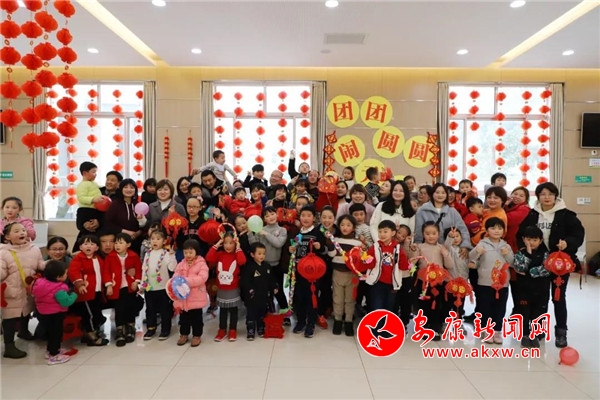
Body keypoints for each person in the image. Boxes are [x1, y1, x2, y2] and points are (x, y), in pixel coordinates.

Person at [517, 182, 584, 348]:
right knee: (538, 298)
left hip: (558, 264)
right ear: (538, 196)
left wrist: (567, 243)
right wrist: (526, 251)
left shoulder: (566, 214)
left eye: (550, 194)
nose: (547, 197)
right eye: (543, 194)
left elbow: (578, 234)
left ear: (556, 196)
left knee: (558, 297)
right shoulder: (532, 214)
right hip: (537, 264)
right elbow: (521, 234)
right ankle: (537, 331)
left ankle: (561, 332)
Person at [0, 222, 45, 358]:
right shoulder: (4, 252)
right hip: (11, 291)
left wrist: (50, 264)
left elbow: (40, 264)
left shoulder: (34, 249)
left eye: (23, 230)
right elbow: (2, 272)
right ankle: (9, 346)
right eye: (16, 231)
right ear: (7, 237)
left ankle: (23, 331)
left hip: (28, 289)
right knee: (10, 317)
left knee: (26, 310)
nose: (22, 233)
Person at [468, 217, 514, 345]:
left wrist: (507, 254)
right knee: (485, 308)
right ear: (487, 230)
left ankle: (497, 331)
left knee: (500, 308)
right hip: (485, 282)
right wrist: (477, 252)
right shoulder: (482, 244)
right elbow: (471, 258)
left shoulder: (506, 246)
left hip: (502, 284)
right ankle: (486, 330)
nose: (496, 231)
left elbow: (512, 262)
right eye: (493, 228)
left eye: (499, 228)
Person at [408, 221, 455, 340]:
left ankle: (435, 327)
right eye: (427, 233)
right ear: (423, 234)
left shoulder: (441, 247)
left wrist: (445, 254)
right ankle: (423, 327)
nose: (431, 236)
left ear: (438, 234)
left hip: (438, 282)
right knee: (423, 305)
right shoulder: (420, 247)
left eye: (434, 233)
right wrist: (412, 249)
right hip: (423, 282)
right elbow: (412, 262)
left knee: (437, 304)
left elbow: (450, 265)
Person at [288, 205, 328, 338]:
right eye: (303, 215)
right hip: (298, 272)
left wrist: (319, 246)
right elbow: (293, 248)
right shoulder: (297, 233)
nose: (305, 218)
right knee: (299, 298)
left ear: (314, 218)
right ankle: (300, 322)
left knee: (312, 298)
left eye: (309, 216)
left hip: (312, 274)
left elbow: (324, 251)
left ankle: (311, 324)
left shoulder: (317, 233)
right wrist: (291, 250)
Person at [31, 260, 77, 365]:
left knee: (50, 334)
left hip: (43, 314)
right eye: (65, 273)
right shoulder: (59, 288)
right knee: (56, 335)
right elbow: (66, 302)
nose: (67, 275)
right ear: (58, 277)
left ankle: (50, 350)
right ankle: (54, 355)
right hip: (55, 314)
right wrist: (74, 295)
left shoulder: (40, 283)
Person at [248, 207, 289, 323]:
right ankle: (266, 313)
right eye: (266, 216)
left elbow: (278, 243)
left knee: (278, 289)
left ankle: (285, 313)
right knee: (264, 289)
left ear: (277, 215)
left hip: (277, 266)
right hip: (263, 266)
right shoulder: (260, 230)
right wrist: (251, 232)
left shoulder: (282, 230)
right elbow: (254, 245)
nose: (270, 217)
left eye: (272, 214)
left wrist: (265, 234)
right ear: (263, 219)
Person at [513, 226, 550, 349]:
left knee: (539, 312)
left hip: (541, 290)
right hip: (524, 290)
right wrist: (528, 255)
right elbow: (520, 267)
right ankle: (525, 334)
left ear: (540, 240)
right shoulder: (520, 253)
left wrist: (530, 271)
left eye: (535, 240)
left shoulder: (545, 254)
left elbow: (546, 269)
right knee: (524, 312)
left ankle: (536, 334)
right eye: (529, 239)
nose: (532, 243)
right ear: (524, 239)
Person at [68, 235, 109, 346]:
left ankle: (92, 332)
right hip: (85, 292)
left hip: (97, 291)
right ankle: (91, 335)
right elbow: (73, 272)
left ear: (97, 247)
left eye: (92, 244)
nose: (88, 246)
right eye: (85, 244)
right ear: (80, 247)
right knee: (88, 314)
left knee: (96, 312)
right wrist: (80, 284)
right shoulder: (78, 258)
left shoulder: (98, 258)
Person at [205, 232, 246, 342]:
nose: (228, 246)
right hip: (222, 288)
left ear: (235, 243)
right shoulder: (220, 254)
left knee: (233, 310)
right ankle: (222, 330)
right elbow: (209, 257)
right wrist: (217, 244)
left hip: (233, 288)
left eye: (231, 243)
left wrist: (238, 248)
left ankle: (233, 330)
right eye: (225, 243)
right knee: (223, 310)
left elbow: (242, 261)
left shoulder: (236, 254)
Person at [103, 233, 142, 347]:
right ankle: (119, 330)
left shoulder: (133, 256)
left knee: (130, 307)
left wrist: (136, 282)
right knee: (119, 309)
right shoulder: (110, 257)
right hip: (116, 287)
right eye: (116, 243)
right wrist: (109, 285)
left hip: (129, 287)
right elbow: (106, 272)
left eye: (121, 243)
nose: (117, 245)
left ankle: (130, 328)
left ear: (128, 245)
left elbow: (138, 270)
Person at [414, 183, 471, 257]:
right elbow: (418, 233)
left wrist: (465, 245)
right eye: (437, 192)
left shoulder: (452, 211)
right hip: (430, 252)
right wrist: (418, 249)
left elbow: (463, 229)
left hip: (450, 252)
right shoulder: (422, 211)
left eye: (443, 193)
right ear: (432, 194)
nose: (440, 195)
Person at [363, 220, 408, 313]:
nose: (382, 234)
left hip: (392, 284)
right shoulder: (375, 247)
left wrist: (410, 264)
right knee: (377, 308)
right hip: (377, 283)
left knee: (388, 309)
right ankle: (376, 323)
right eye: (380, 231)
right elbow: (369, 265)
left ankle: (385, 323)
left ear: (393, 233)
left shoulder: (398, 248)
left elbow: (403, 266)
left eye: (385, 231)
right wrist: (365, 258)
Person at [331, 214, 364, 336]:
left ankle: (349, 321)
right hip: (337, 273)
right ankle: (338, 320)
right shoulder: (336, 240)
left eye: (348, 225)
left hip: (352, 274)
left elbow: (362, 259)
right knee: (337, 298)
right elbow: (331, 254)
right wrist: (329, 243)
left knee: (350, 299)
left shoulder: (358, 243)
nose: (345, 227)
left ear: (353, 227)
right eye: (342, 225)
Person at [140, 229, 177, 340]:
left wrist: (172, 255)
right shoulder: (148, 254)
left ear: (164, 241)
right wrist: (142, 284)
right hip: (149, 287)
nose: (154, 241)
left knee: (165, 309)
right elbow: (144, 269)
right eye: (152, 239)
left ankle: (165, 329)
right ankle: (151, 328)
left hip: (163, 288)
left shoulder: (166, 254)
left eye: (158, 239)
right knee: (150, 309)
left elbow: (172, 268)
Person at [174, 239, 209, 348]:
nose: (188, 255)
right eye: (185, 252)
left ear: (196, 252)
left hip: (196, 297)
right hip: (183, 298)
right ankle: (184, 334)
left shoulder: (201, 264)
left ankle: (197, 335)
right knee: (183, 318)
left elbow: (202, 278)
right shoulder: (181, 264)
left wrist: (186, 281)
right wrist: (176, 281)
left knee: (196, 318)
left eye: (190, 252)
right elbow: (176, 275)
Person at [240, 242, 277, 340]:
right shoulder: (249, 267)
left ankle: (261, 328)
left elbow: (271, 279)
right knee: (251, 314)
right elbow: (245, 281)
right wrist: (250, 290)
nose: (262, 256)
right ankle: (250, 330)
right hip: (252, 297)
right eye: (259, 253)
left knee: (262, 313)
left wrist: (274, 287)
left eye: (264, 253)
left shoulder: (267, 266)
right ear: (252, 254)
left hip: (264, 296)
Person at [138, 179, 186, 246]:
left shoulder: (178, 207)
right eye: (159, 190)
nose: (162, 192)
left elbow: (183, 228)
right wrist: (142, 220)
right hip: (154, 244)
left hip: (172, 245)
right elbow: (147, 227)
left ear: (171, 191)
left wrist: (172, 217)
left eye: (166, 189)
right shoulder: (151, 206)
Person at [104, 178, 144, 254]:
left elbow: (144, 223)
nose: (129, 190)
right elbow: (108, 223)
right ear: (121, 189)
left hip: (136, 241)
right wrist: (126, 232)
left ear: (135, 190)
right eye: (125, 187)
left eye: (132, 187)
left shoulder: (138, 204)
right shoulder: (115, 204)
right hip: (120, 242)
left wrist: (138, 232)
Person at [75, 161, 104, 250]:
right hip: (85, 210)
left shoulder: (93, 183)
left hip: (94, 210)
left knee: (93, 230)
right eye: (93, 172)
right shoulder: (82, 185)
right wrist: (93, 199)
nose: (96, 174)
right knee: (86, 230)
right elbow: (81, 198)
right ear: (85, 173)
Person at [505, 186, 531, 253]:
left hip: (515, 242)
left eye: (521, 196)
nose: (517, 197)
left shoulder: (524, 209)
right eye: (515, 194)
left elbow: (508, 220)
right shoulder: (509, 206)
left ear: (526, 199)